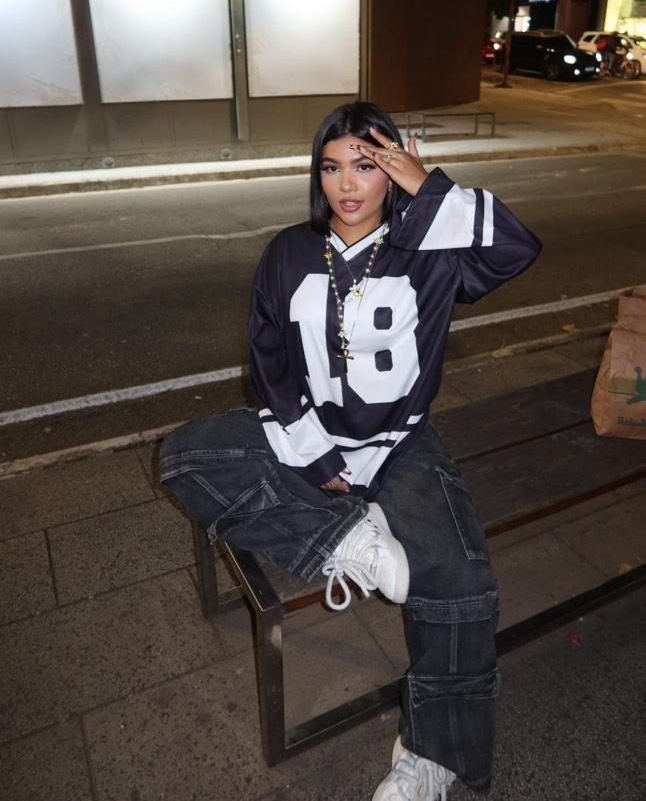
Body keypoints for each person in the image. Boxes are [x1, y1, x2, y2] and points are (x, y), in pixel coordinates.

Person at [160, 102, 541, 800]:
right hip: (310, 439)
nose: (346, 184)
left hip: (400, 445)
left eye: (366, 165)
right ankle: (346, 538)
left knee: (461, 582)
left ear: (394, 169)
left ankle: (431, 755)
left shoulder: (432, 247)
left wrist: (428, 187)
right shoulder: (288, 252)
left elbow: (517, 247)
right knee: (185, 455)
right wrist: (311, 455)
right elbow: (268, 363)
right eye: (331, 167)